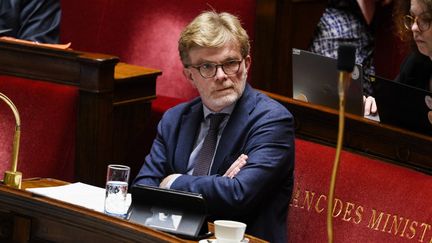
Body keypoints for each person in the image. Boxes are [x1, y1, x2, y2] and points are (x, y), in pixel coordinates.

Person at [133, 11, 295, 243]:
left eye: (230, 63)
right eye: (207, 67)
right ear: (189, 76)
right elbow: (142, 190)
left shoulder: (272, 121)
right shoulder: (175, 119)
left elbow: (238, 194)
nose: (221, 76)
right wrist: (219, 184)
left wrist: (173, 182)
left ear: (246, 64)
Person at [309, 0, 392, 116]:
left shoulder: (386, 14)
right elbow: (333, 98)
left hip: (375, 110)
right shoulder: (334, 26)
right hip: (339, 117)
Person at [393, 0, 432, 91]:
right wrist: (376, 103)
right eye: (413, 17)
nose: (414, 27)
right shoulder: (415, 62)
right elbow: (391, 98)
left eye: (426, 19)